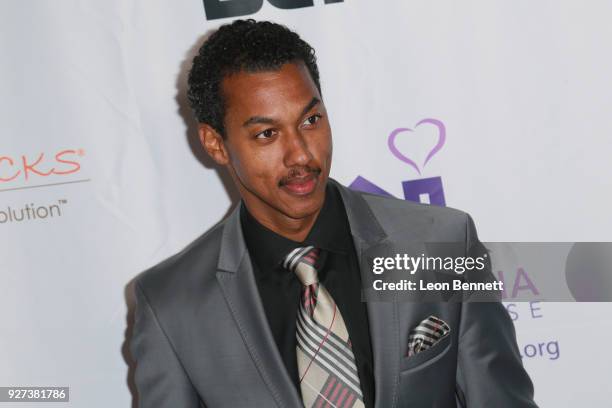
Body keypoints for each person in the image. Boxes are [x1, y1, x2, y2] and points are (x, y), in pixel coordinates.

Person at [130, 19, 537, 408]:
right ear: (215, 144)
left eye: (310, 120)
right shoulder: (171, 306)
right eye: (266, 134)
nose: (302, 154)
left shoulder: (443, 242)